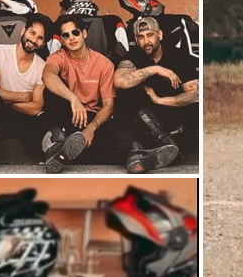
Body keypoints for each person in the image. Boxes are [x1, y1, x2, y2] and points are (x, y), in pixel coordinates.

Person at [41, 15, 177, 173]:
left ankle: (134, 154)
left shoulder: (103, 64)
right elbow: (48, 75)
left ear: (84, 33)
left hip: (92, 117)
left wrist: (91, 128)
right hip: (68, 114)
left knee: (117, 126)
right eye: (66, 35)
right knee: (50, 96)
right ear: (62, 40)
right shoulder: (58, 57)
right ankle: (56, 148)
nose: (71, 38)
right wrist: (73, 99)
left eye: (75, 32)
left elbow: (108, 106)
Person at [114, 16, 199, 164]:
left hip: (174, 122)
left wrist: (160, 100)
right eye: (140, 37)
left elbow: (196, 95)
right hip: (144, 123)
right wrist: (155, 69)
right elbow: (119, 82)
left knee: (195, 111)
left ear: (160, 35)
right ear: (136, 39)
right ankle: (146, 150)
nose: (146, 41)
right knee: (127, 94)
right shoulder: (132, 57)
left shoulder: (179, 56)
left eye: (150, 35)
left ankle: (165, 148)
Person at [0, 13, 51, 161]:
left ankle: (51, 151)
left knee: (44, 116)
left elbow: (36, 107)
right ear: (23, 30)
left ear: (43, 44)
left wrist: (4, 97)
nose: (34, 40)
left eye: (40, 38)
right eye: (32, 33)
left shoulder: (42, 66)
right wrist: (25, 96)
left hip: (23, 120)